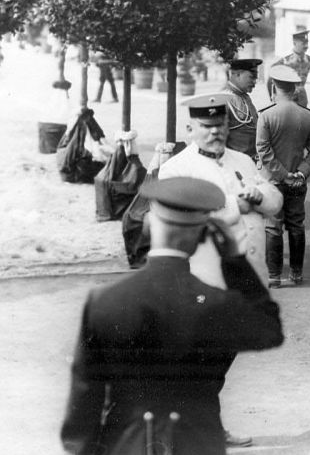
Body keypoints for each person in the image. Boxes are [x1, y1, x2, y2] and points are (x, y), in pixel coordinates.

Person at [61, 177, 284, 455]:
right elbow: (269, 330)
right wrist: (235, 261)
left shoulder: (105, 301)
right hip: (198, 444)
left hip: (127, 443)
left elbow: (83, 405)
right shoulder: (216, 304)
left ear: (150, 225)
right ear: (204, 235)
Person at [158, 93, 283, 448]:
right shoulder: (177, 168)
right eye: (207, 127)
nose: (215, 133)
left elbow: (274, 201)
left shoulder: (241, 159)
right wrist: (236, 204)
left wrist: (260, 197)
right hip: (201, 279)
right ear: (190, 129)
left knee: (217, 358)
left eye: (221, 125)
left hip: (242, 280)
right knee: (203, 360)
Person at [256, 64, 310, 287]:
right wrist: (301, 173)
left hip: (273, 182)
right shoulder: (307, 116)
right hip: (297, 182)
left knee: (273, 226)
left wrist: (283, 175)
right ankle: (296, 273)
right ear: (295, 90)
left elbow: (264, 152)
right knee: (297, 225)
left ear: (274, 87)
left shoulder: (266, 116)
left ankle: (274, 276)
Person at [223, 58, 262, 159]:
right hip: (236, 163)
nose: (254, 82)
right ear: (237, 74)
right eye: (252, 77)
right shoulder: (224, 99)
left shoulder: (244, 96)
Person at [274, 29, 310, 107]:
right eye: (303, 43)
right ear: (294, 43)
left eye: (307, 43)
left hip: (302, 99)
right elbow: (271, 79)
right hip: (288, 99)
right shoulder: (284, 61)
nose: (306, 46)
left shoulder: (309, 59)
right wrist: (274, 97)